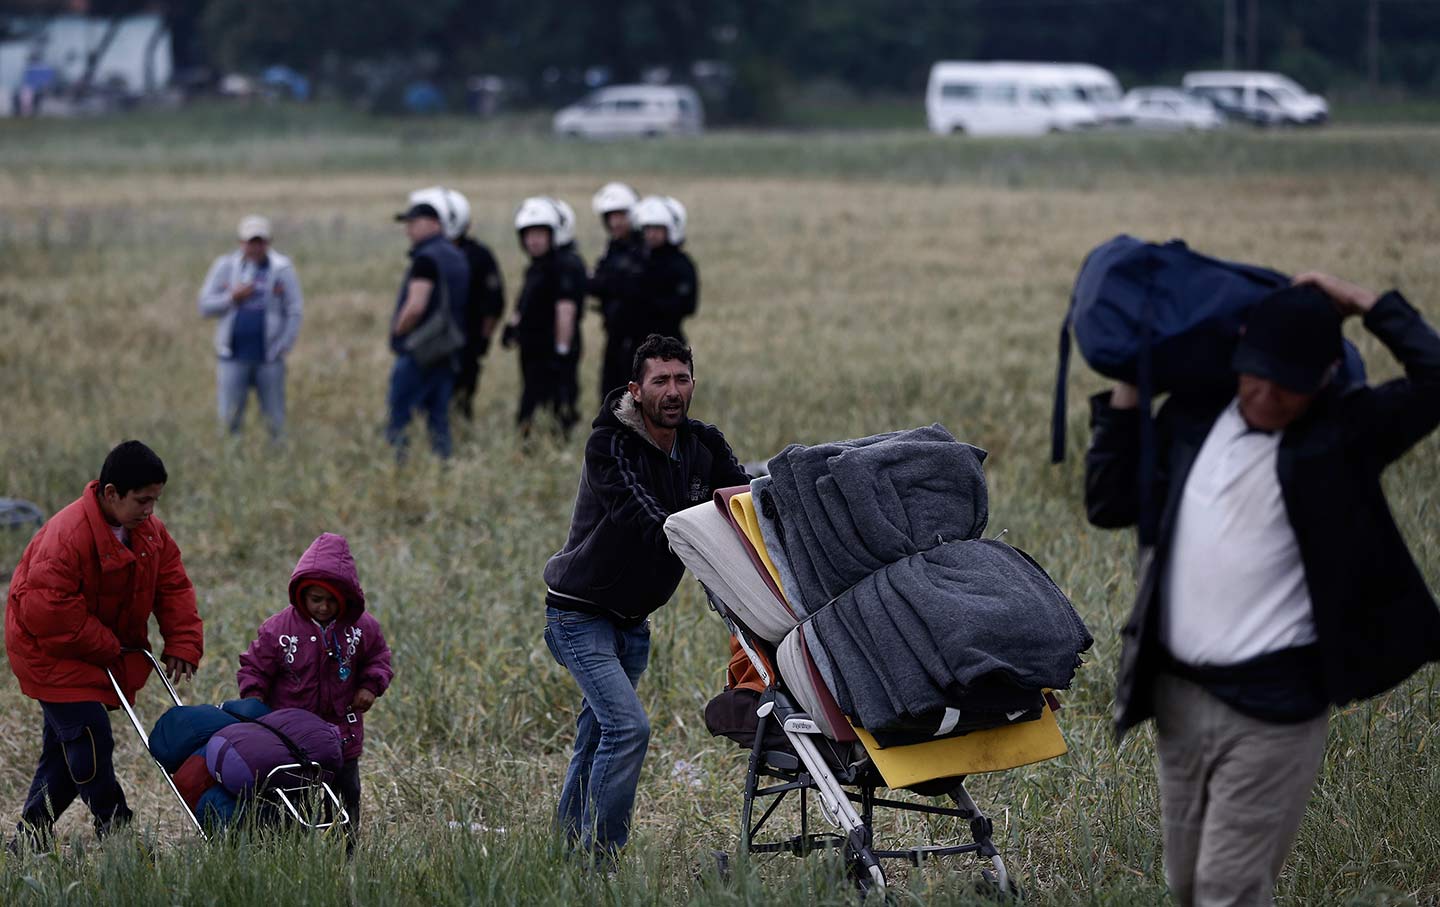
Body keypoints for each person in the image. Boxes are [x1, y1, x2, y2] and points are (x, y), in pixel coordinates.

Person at [1084, 273, 1440, 906]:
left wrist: (1369, 304)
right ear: (1239, 350)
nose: (1267, 396)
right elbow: (1109, 503)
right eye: (1257, 375)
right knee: (1189, 884)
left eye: (1290, 387)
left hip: (1274, 709)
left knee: (1229, 888)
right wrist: (1130, 386)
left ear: (1327, 376)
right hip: (1178, 698)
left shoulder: (1344, 433)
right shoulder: (1193, 418)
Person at [542, 334, 749, 861]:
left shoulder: (703, 445)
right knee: (628, 728)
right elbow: (643, 517)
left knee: (595, 741)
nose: (672, 391)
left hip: (632, 624)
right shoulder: (609, 444)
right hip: (579, 614)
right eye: (660, 381)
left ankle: (567, 857)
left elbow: (742, 500)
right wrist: (703, 536)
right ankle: (601, 860)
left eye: (682, 379)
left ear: (693, 385)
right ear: (636, 390)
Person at [5, 441, 204, 850]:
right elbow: (49, 612)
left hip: (96, 652)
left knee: (64, 754)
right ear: (111, 494)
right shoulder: (66, 537)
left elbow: (172, 585)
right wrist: (110, 646)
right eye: (142, 500)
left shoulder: (148, 532)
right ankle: (117, 830)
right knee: (90, 737)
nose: (150, 510)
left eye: (155, 500)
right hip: (50, 653)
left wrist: (182, 639)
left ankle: (28, 840)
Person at [236, 532, 393, 832]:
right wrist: (254, 702)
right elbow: (255, 667)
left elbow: (379, 658)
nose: (322, 607)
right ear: (302, 595)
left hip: (342, 732)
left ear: (345, 598)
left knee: (347, 792)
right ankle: (294, 844)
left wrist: (370, 687)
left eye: (331, 601)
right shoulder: (278, 630)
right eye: (315, 599)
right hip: (294, 735)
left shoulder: (362, 629)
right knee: (296, 796)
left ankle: (346, 848)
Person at [197, 215, 304, 441]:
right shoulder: (225, 267)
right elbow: (204, 305)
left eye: (260, 242)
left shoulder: (282, 269)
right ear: (240, 243)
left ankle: (278, 460)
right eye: (250, 242)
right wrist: (232, 298)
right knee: (229, 419)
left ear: (268, 242)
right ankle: (231, 460)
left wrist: (284, 345)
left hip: (269, 358)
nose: (255, 247)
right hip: (232, 356)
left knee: (275, 419)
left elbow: (294, 309)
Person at [386, 196, 471, 460]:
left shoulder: (425, 259)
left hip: (419, 349)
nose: (408, 229)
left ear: (434, 224)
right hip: (446, 349)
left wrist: (398, 332)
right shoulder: (457, 256)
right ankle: (442, 465)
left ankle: (398, 465)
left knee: (400, 415)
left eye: (414, 222)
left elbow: (416, 306)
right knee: (438, 417)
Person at [413, 186, 505, 423]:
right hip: (431, 343)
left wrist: (482, 340)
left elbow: (494, 303)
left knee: (460, 401)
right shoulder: (428, 254)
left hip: (465, 343)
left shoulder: (478, 256)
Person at [502, 196, 587, 439]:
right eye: (528, 234)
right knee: (531, 402)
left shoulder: (565, 265)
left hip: (553, 351)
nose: (533, 240)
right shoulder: (537, 266)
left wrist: (560, 351)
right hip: (533, 349)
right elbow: (526, 301)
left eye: (540, 234)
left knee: (560, 406)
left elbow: (566, 311)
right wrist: (513, 326)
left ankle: (557, 448)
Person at [588, 182, 646, 405]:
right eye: (610, 217)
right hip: (615, 335)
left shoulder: (643, 249)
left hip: (639, 338)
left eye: (620, 215)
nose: (615, 222)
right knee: (610, 395)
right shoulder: (613, 247)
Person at [632, 196, 698, 344]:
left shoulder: (681, 265)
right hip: (634, 341)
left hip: (668, 340)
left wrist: (647, 301)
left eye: (657, 228)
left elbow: (688, 305)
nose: (651, 234)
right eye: (647, 228)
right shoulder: (637, 260)